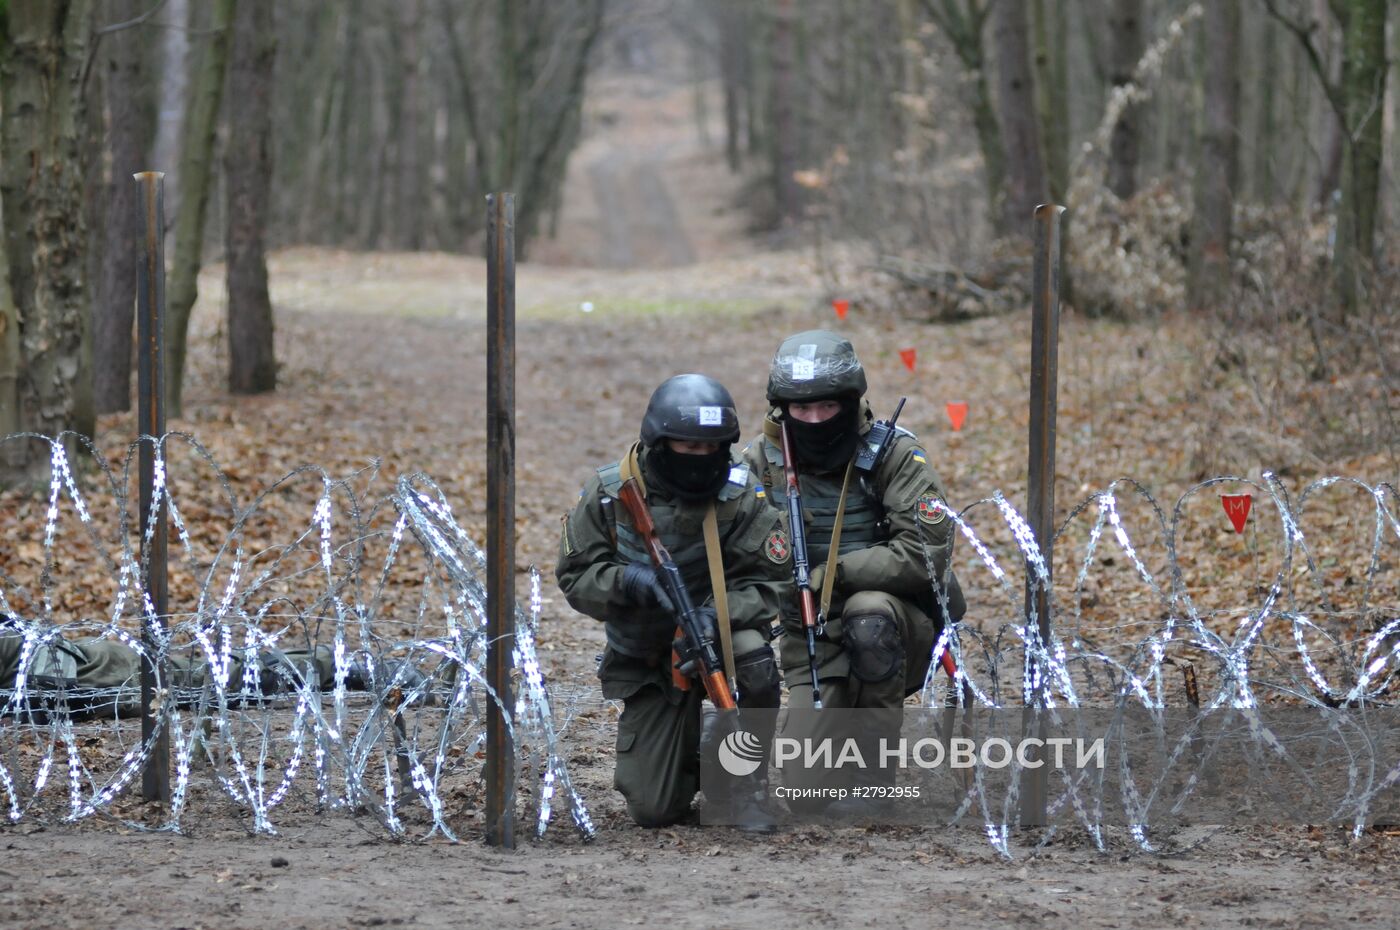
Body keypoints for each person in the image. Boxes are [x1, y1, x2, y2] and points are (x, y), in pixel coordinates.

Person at [743, 330, 965, 813]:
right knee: (807, 791)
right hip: (810, 635)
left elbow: (924, 555)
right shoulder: (759, 465)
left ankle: (872, 775)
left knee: (869, 617)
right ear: (782, 408)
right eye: (802, 409)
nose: (816, 419)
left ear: (849, 400)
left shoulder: (895, 454)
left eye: (828, 407)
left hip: (896, 622)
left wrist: (834, 575)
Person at [556, 374, 788, 832]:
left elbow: (773, 581)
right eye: (687, 448)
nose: (700, 460)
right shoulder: (610, 493)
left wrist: (715, 615)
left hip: (717, 640)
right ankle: (698, 749)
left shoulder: (741, 494)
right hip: (647, 659)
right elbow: (573, 576)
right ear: (659, 443)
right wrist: (627, 581)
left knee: (755, 660)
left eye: (711, 449)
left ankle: (742, 783)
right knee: (655, 810)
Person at [1, 613, 425, 720]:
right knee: (204, 678)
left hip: (71, 675)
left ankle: (342, 666)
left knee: (208, 679)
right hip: (55, 678)